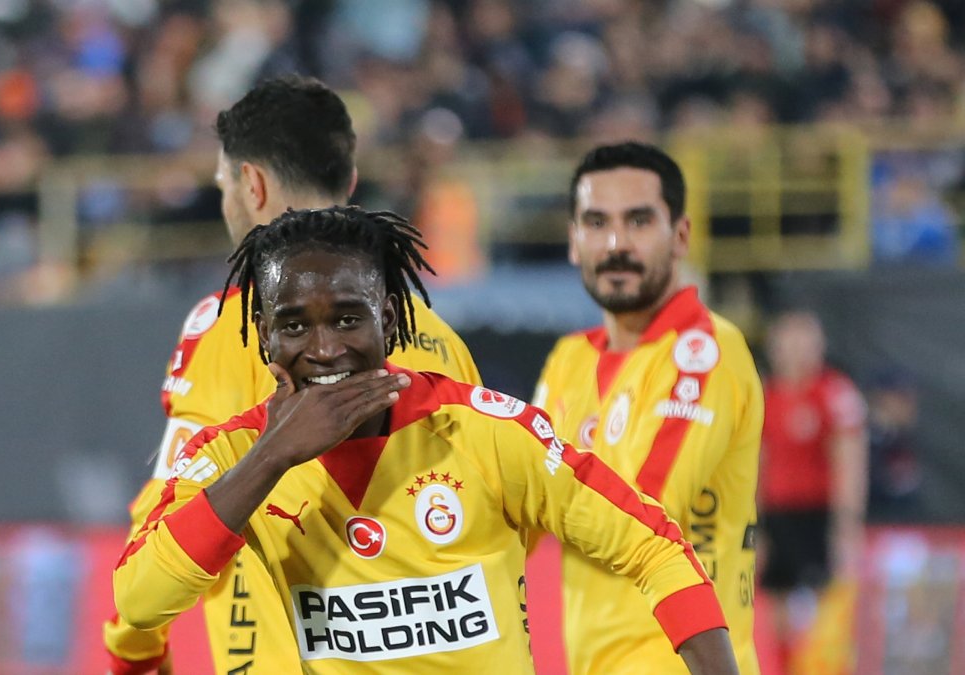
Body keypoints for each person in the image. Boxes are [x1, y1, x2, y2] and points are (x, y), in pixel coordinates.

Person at [114, 205, 739, 674]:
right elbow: (139, 600)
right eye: (295, 326)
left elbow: (655, 547)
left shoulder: (485, 432)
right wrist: (273, 455)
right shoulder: (233, 455)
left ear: (388, 318)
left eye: (349, 318)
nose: (325, 349)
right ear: (264, 335)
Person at [103, 76, 481, 675]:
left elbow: (167, 514)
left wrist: (133, 649)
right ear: (349, 181)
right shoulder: (436, 334)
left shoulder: (234, 325)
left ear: (251, 184)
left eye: (224, 185)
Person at [532, 141, 763, 674]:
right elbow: (518, 511)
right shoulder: (569, 359)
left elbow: (639, 507)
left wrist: (532, 479)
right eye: (596, 223)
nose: (616, 244)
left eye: (638, 221)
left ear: (680, 236)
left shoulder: (704, 351)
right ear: (573, 241)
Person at [759, 310, 867, 671]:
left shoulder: (834, 392)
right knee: (777, 606)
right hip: (777, 514)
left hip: (818, 514)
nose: (796, 351)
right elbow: (757, 464)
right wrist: (756, 526)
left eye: (804, 341)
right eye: (788, 342)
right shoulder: (765, 395)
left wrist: (845, 524)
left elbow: (849, 460)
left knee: (826, 609)